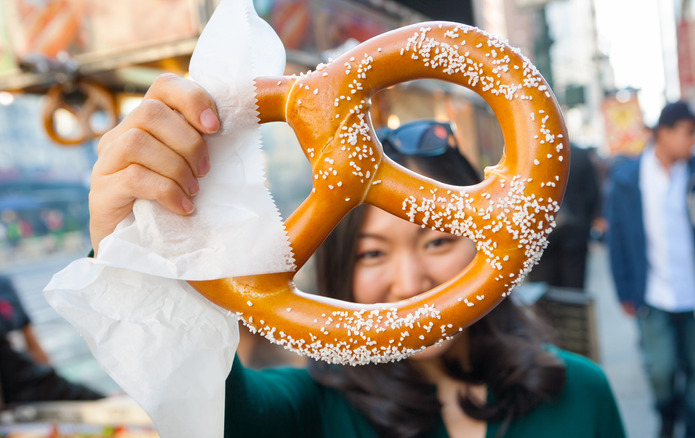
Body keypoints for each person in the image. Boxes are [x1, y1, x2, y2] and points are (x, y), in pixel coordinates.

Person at [88, 74, 626, 437]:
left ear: (489, 242)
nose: (410, 279)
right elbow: (202, 402)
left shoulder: (580, 393)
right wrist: (132, 243)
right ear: (342, 273)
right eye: (372, 254)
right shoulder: (311, 409)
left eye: (438, 240)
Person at [606, 101, 695, 438]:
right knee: (660, 370)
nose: (692, 141)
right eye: (687, 133)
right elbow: (617, 240)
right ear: (663, 133)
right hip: (652, 293)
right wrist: (624, 291)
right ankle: (667, 415)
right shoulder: (626, 179)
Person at [0, 275, 103, 405]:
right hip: (14, 391)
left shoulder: (4, 284)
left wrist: (50, 374)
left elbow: (31, 339)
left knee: (97, 400)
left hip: (30, 378)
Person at [526, 143, 601, 289]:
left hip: (540, 235)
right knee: (573, 288)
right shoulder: (580, 154)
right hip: (575, 232)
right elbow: (592, 193)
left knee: (543, 290)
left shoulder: (529, 154)